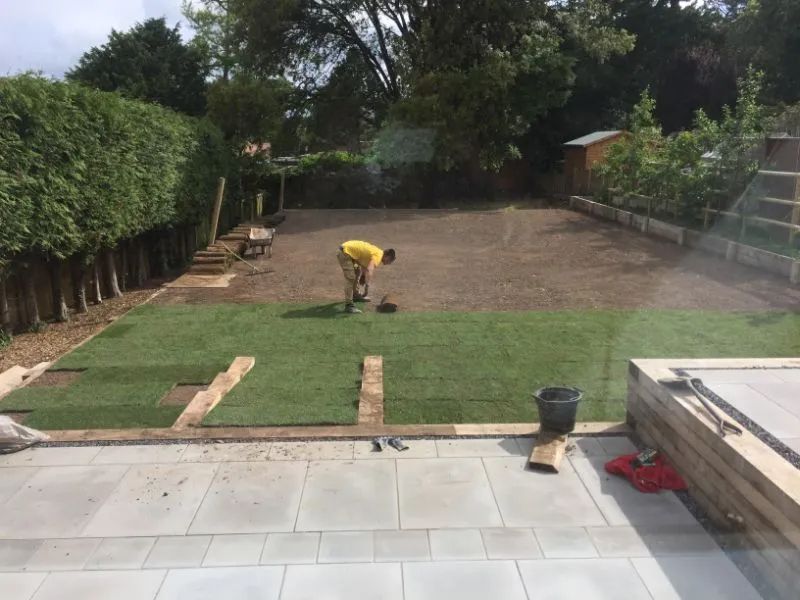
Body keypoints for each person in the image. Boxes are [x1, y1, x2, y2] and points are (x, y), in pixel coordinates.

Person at [337, 240, 396, 313]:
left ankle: (355, 295)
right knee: (351, 277)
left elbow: (364, 264)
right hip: (345, 254)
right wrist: (367, 287)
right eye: (389, 260)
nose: (388, 263)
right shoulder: (378, 256)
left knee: (357, 271)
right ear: (387, 256)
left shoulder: (378, 252)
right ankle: (349, 306)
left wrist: (363, 275)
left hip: (352, 257)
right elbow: (369, 270)